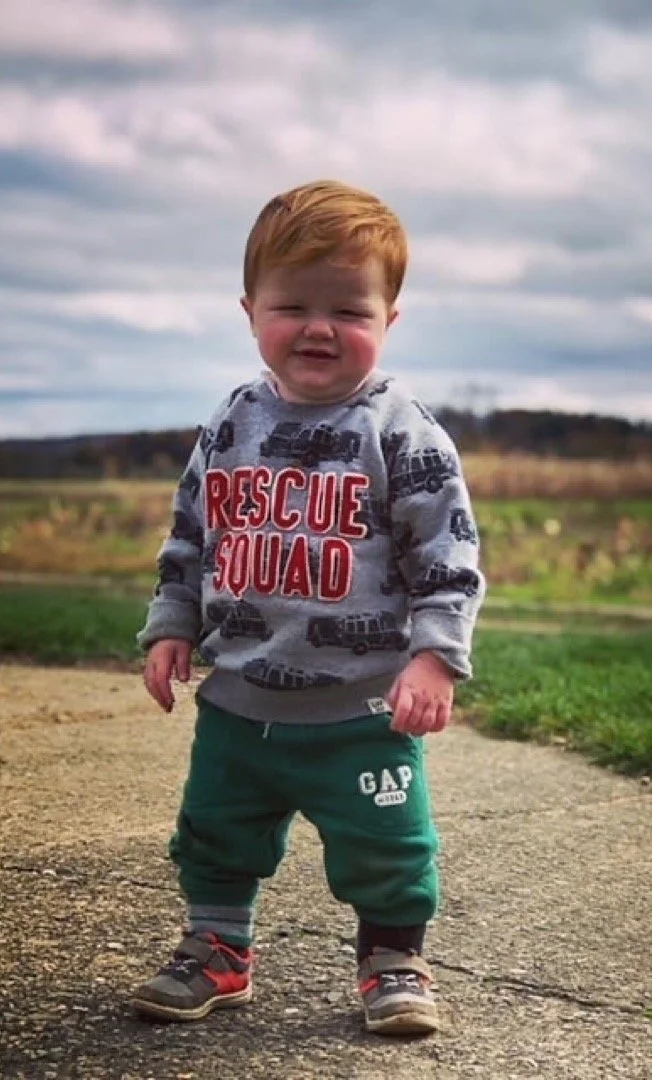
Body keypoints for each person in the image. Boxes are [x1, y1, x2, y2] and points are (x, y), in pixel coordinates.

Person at [130, 179, 485, 1036]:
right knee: (215, 831)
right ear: (251, 312)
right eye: (292, 306)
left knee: (388, 845)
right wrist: (173, 624)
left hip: (362, 709)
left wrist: (435, 658)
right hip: (239, 699)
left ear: (389, 319)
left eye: (349, 311)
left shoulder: (401, 432)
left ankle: (393, 959)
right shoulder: (232, 421)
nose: (319, 328)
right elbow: (192, 534)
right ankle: (218, 948)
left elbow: (448, 559)